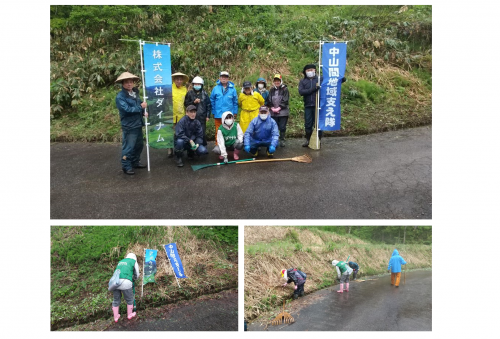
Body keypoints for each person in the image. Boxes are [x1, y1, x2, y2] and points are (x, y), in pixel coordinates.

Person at [298, 64, 346, 147]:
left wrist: (340, 78)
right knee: (308, 124)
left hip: (319, 105)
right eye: (308, 70)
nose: (310, 71)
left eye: (312, 70)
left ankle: (318, 140)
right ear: (305, 72)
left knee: (318, 124)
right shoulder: (303, 81)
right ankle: (308, 140)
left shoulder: (320, 79)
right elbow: (301, 92)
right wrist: (313, 89)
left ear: (315, 70)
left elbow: (332, 81)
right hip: (308, 106)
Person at [115, 72, 148, 175]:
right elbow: (127, 109)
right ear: (123, 84)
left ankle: (135, 162)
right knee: (129, 147)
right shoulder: (120, 97)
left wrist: (143, 112)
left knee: (139, 145)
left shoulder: (135, 93)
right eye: (126, 82)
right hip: (129, 126)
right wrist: (140, 108)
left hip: (138, 124)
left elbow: (139, 104)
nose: (129, 84)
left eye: (131, 82)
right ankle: (126, 166)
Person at [210, 71, 238, 146]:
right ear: (219, 78)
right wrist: (213, 111)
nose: (224, 78)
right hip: (218, 114)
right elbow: (212, 100)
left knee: (230, 131)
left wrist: (235, 112)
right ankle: (219, 146)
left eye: (225, 77)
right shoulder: (215, 89)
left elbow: (235, 102)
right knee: (218, 131)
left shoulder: (233, 89)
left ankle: (230, 146)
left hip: (229, 115)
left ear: (228, 78)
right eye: (222, 77)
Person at [111, 253, 140, 322]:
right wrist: (134, 279)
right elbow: (137, 275)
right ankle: (129, 315)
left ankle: (116, 317)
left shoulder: (121, 261)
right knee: (129, 299)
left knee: (116, 300)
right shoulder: (133, 261)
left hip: (115, 282)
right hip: (126, 282)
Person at [184, 76, 211, 147]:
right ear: (193, 85)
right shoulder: (189, 93)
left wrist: (208, 115)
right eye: (196, 84)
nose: (197, 86)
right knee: (192, 133)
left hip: (202, 117)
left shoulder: (204, 93)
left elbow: (208, 105)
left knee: (202, 132)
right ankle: (192, 148)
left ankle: (202, 147)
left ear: (202, 85)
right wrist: (193, 102)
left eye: (199, 84)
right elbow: (186, 104)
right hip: (192, 117)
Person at [169, 72, 189, 157]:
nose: (179, 81)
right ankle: (170, 149)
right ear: (174, 80)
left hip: (181, 115)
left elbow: (187, 102)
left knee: (180, 133)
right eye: (177, 79)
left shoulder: (184, 89)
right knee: (170, 133)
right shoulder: (169, 88)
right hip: (171, 114)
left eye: (181, 79)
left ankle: (179, 148)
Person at [267, 74, 290, 147]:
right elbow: (269, 100)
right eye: (275, 81)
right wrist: (272, 108)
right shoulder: (271, 90)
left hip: (283, 112)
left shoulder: (285, 89)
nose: (277, 82)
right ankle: (275, 140)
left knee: (282, 127)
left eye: (278, 81)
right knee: (274, 127)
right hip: (273, 112)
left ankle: (282, 139)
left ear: (281, 81)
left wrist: (279, 108)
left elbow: (285, 100)